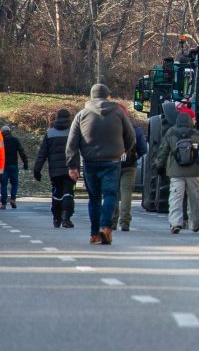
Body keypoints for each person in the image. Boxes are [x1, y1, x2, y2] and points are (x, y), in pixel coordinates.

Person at [65, 83, 136, 245]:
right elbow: (131, 135)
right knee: (111, 194)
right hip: (112, 161)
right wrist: (126, 149)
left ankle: (94, 234)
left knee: (94, 198)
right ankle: (106, 227)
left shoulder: (82, 115)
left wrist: (72, 166)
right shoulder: (118, 112)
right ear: (108, 96)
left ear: (91, 96)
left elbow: (72, 143)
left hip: (90, 162)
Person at [156, 111, 199, 233]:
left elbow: (163, 151)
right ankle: (195, 223)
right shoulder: (196, 134)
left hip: (176, 173)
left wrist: (159, 166)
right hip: (193, 173)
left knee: (175, 199)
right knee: (195, 199)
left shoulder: (171, 133)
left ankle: (175, 223)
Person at [33, 109, 76, 228]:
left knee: (57, 193)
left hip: (55, 171)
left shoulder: (50, 133)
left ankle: (56, 218)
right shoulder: (73, 132)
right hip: (70, 168)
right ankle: (66, 217)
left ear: (56, 118)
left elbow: (42, 153)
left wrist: (37, 169)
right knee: (68, 193)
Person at [116, 114, 149, 231]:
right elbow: (143, 149)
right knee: (126, 193)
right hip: (130, 165)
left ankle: (111, 221)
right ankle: (125, 221)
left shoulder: (111, 128)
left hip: (113, 165)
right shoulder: (136, 130)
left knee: (113, 193)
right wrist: (134, 157)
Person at [1, 124, 28, 208]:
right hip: (13, 165)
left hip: (3, 166)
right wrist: (25, 163)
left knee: (3, 184)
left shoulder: (1, 142)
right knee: (14, 183)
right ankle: (13, 199)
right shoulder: (15, 140)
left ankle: (4, 203)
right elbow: (21, 152)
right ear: (10, 132)